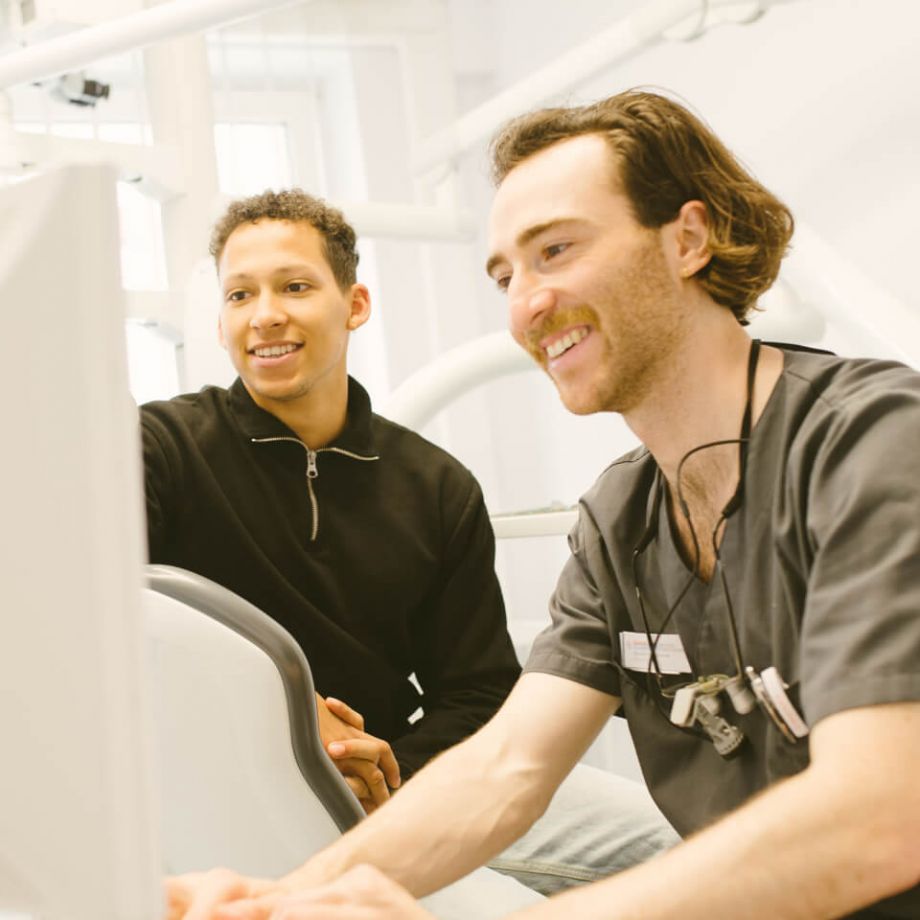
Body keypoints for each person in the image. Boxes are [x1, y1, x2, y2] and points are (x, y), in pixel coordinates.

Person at [169, 89, 920, 920]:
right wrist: (277, 901)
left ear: (687, 239)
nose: (526, 304)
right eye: (506, 276)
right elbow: (507, 769)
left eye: (555, 251)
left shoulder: (873, 442)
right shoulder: (621, 517)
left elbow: (878, 819)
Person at [144, 189, 678, 897]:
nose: (264, 314)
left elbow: (479, 692)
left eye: (295, 287)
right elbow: (99, 616)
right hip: (235, 794)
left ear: (355, 304)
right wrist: (291, 716)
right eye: (240, 294)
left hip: (404, 783)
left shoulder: (436, 486)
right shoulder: (160, 447)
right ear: (221, 322)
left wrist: (387, 773)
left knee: (679, 844)